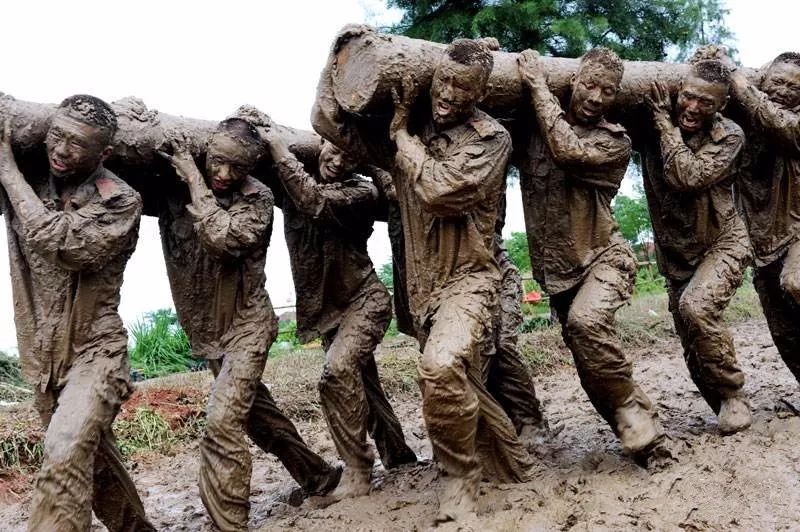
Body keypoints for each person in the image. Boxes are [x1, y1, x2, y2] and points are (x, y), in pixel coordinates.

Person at [157, 117, 341, 531]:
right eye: (217, 163)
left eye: (236, 169)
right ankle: (318, 475)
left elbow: (223, 240)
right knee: (261, 421)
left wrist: (194, 178)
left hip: (248, 327)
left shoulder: (257, 198)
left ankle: (230, 524)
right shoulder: (172, 184)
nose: (223, 175)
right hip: (211, 333)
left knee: (221, 425)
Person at [390, 38, 532, 523]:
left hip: (469, 280)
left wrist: (403, 140)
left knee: (442, 364)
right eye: (443, 81)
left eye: (462, 88)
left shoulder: (491, 139)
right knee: (459, 380)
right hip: (422, 286)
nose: (448, 94)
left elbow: (440, 190)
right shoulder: (417, 121)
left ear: (479, 94)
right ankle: (509, 457)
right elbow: (327, 119)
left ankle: (458, 478)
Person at [0, 96, 154, 531]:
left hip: (96, 351)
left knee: (65, 447)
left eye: (77, 143)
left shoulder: (121, 200)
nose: (61, 150)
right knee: (96, 467)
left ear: (103, 154)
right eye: (56, 136)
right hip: (43, 360)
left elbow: (61, 243)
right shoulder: (35, 181)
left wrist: (7, 168)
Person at [516, 48, 665, 456]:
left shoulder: (614, 141)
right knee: (588, 364)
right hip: (558, 273)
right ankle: (642, 434)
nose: (597, 97)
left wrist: (536, 85)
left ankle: (632, 411)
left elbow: (566, 150)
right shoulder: (531, 131)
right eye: (589, 84)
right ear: (573, 82)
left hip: (603, 258)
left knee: (585, 323)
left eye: (608, 90)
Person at [257, 124, 416, 500]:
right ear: (321, 142)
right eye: (334, 149)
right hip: (329, 310)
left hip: (365, 300)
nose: (338, 160)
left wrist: (279, 148)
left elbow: (313, 201)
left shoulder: (362, 190)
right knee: (364, 387)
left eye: (351, 157)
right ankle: (400, 456)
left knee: (338, 371)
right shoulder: (294, 176)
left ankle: (358, 470)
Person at [640, 60, 751, 434]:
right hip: (677, 252)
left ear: (720, 106)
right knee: (691, 344)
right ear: (677, 92)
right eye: (688, 97)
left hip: (723, 242)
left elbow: (687, 175)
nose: (692, 108)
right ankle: (720, 400)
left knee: (697, 306)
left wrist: (663, 126)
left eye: (705, 103)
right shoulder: (649, 118)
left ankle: (734, 394)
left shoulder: (730, 135)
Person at [727, 51, 800, 384]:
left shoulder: (791, 120)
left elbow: (784, 127)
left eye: (793, 87)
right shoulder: (741, 118)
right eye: (778, 81)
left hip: (798, 230)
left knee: (796, 282)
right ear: (764, 79)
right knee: (780, 325)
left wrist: (740, 83)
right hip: (761, 238)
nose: (784, 90)